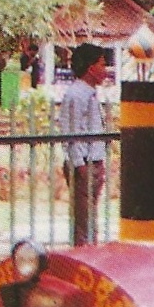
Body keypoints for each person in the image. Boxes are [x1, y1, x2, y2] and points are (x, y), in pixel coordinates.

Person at [59, 43, 109, 246]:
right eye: (102, 64)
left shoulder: (91, 94)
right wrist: (80, 164)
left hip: (94, 162)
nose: (105, 70)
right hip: (84, 164)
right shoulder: (76, 95)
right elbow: (71, 132)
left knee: (90, 218)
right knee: (84, 222)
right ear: (91, 68)